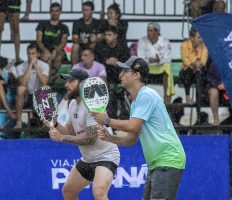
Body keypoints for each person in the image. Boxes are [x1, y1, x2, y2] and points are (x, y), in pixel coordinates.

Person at [92, 56, 186, 200]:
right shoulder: (136, 103)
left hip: (168, 158)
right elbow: (131, 139)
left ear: (136, 75)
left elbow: (133, 126)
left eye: (125, 72)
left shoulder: (146, 95)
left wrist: (107, 120)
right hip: (157, 162)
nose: (120, 75)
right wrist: (110, 137)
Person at [44, 68, 120, 200]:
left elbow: (90, 140)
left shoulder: (92, 105)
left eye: (71, 81)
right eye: (66, 81)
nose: (66, 85)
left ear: (82, 84)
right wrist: (56, 124)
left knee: (98, 192)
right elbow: (70, 131)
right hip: (88, 159)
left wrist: (62, 138)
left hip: (106, 156)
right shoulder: (72, 103)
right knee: (68, 191)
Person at [94, 25, 131, 120]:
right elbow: (96, 64)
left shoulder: (122, 46)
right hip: (105, 77)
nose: (107, 37)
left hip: (120, 76)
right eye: (105, 34)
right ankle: (111, 120)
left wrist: (117, 62)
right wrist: (106, 62)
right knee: (110, 94)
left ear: (115, 35)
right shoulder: (99, 46)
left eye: (109, 35)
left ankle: (126, 116)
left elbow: (128, 63)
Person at [137, 22, 174, 103]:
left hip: (160, 69)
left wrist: (158, 60)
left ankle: (166, 103)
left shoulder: (164, 41)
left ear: (157, 31)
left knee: (167, 70)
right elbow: (140, 57)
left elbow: (168, 58)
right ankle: (140, 101)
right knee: (138, 68)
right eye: (148, 30)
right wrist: (148, 60)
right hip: (147, 70)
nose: (148, 33)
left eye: (151, 31)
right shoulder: (142, 41)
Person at [14, 42, 49, 128]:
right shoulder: (21, 66)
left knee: (46, 88)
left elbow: (44, 81)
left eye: (33, 53)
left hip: (38, 96)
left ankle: (47, 122)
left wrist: (36, 67)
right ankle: (19, 122)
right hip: (26, 97)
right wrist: (30, 66)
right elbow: (22, 82)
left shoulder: (44, 65)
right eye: (29, 53)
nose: (30, 56)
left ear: (38, 54)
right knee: (20, 89)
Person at [180, 27, 209, 124]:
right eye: (199, 37)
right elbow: (185, 60)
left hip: (198, 71)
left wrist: (198, 65)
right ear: (192, 38)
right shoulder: (184, 45)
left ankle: (198, 109)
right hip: (186, 70)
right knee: (188, 72)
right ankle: (188, 96)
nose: (201, 39)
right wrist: (194, 63)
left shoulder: (203, 46)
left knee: (199, 76)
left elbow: (204, 61)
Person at [36, 2, 69, 84]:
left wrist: (56, 51)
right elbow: (39, 41)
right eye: (52, 11)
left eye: (57, 11)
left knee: (58, 56)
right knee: (45, 57)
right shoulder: (42, 24)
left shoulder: (64, 27)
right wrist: (45, 51)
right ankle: (48, 81)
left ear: (60, 12)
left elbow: (63, 43)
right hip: (44, 49)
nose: (54, 13)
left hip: (58, 50)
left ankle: (52, 78)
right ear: (49, 12)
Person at [71, 1, 101, 65]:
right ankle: (74, 71)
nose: (85, 12)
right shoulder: (77, 23)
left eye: (87, 10)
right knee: (75, 46)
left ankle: (93, 71)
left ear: (92, 11)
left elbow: (100, 37)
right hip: (81, 47)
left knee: (94, 44)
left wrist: (92, 40)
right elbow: (74, 39)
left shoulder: (97, 23)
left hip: (94, 47)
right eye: (83, 10)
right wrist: (81, 40)